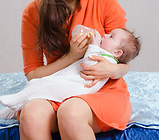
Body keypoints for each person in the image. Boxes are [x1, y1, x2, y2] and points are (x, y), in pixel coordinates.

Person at [17, 0, 133, 140]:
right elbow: (33, 74)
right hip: (56, 88)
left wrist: (113, 69)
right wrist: (71, 57)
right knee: (31, 115)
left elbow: (122, 61)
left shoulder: (105, 0)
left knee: (70, 113)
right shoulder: (34, 12)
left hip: (101, 90)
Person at [0, 25, 141, 119]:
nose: (105, 35)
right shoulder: (103, 53)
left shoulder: (107, 59)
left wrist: (93, 45)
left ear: (117, 52)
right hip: (68, 81)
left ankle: (16, 101)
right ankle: (14, 106)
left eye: (111, 37)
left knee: (44, 86)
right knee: (38, 83)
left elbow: (89, 64)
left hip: (77, 88)